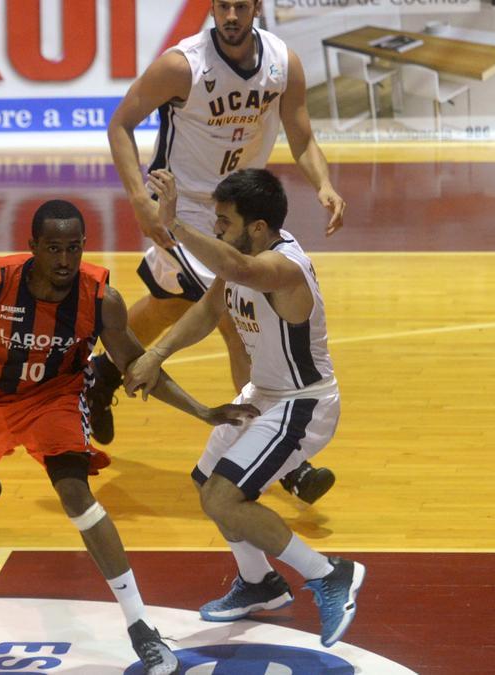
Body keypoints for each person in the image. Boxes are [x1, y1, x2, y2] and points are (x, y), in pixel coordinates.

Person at [0, 200, 258, 675]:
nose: (66, 260)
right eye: (54, 248)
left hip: (55, 399)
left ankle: (140, 627)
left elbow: (139, 363)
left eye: (74, 248)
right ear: (33, 247)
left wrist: (203, 411)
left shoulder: (100, 298)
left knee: (78, 497)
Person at [96, 0, 344, 507]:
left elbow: (301, 131)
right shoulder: (181, 65)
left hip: (242, 207)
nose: (231, 14)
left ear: (256, 7)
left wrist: (324, 184)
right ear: (212, 7)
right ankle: (276, 452)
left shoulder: (282, 63)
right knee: (232, 314)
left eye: (241, 4)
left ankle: (98, 376)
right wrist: (142, 203)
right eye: (222, 4)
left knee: (171, 304)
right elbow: (120, 123)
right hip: (182, 210)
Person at [125, 168, 364, 647]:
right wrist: (155, 354)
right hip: (263, 396)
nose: (217, 228)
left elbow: (240, 273)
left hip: (303, 404)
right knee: (205, 483)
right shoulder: (246, 256)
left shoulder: (282, 267)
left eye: (224, 220)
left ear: (257, 227)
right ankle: (260, 583)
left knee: (223, 496)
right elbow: (211, 308)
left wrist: (175, 226)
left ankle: (327, 574)